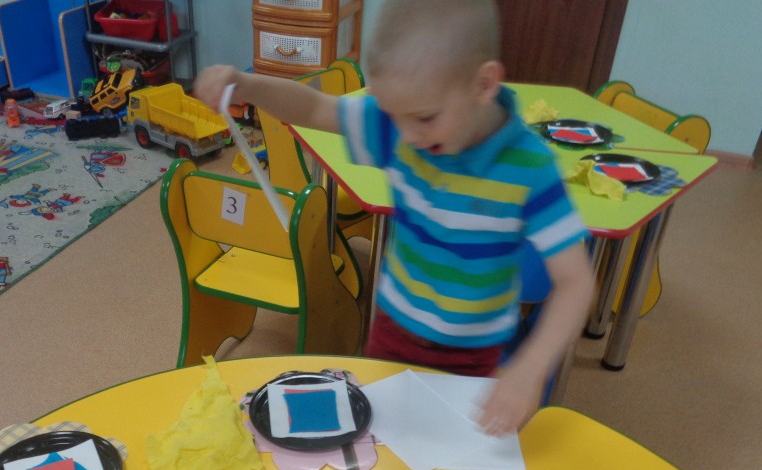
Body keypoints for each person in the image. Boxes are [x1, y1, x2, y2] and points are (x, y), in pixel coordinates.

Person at [193, 0, 594, 436]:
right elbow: (314, 109)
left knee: (456, 456)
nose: (408, 137)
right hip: (393, 331)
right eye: (394, 117)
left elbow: (576, 283)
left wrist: (530, 370)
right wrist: (247, 84)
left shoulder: (530, 167)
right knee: (383, 446)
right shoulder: (404, 124)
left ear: (483, 84)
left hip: (475, 354)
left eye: (424, 119)